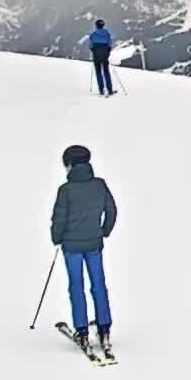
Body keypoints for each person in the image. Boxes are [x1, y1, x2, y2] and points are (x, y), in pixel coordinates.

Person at [51, 144, 117, 357]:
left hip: (71, 246)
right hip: (94, 244)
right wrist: (103, 231)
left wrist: (56, 237)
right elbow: (111, 209)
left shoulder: (66, 190)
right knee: (98, 284)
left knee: (76, 286)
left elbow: (59, 218)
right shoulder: (99, 185)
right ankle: (104, 327)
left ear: (69, 165)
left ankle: (82, 330)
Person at [86, 20, 115, 97]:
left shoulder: (93, 35)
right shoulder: (107, 34)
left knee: (98, 72)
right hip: (105, 55)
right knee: (106, 72)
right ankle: (110, 90)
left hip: (96, 55)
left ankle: (101, 90)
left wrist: (94, 51)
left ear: (96, 26)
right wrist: (107, 52)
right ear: (103, 25)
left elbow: (91, 45)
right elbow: (109, 45)